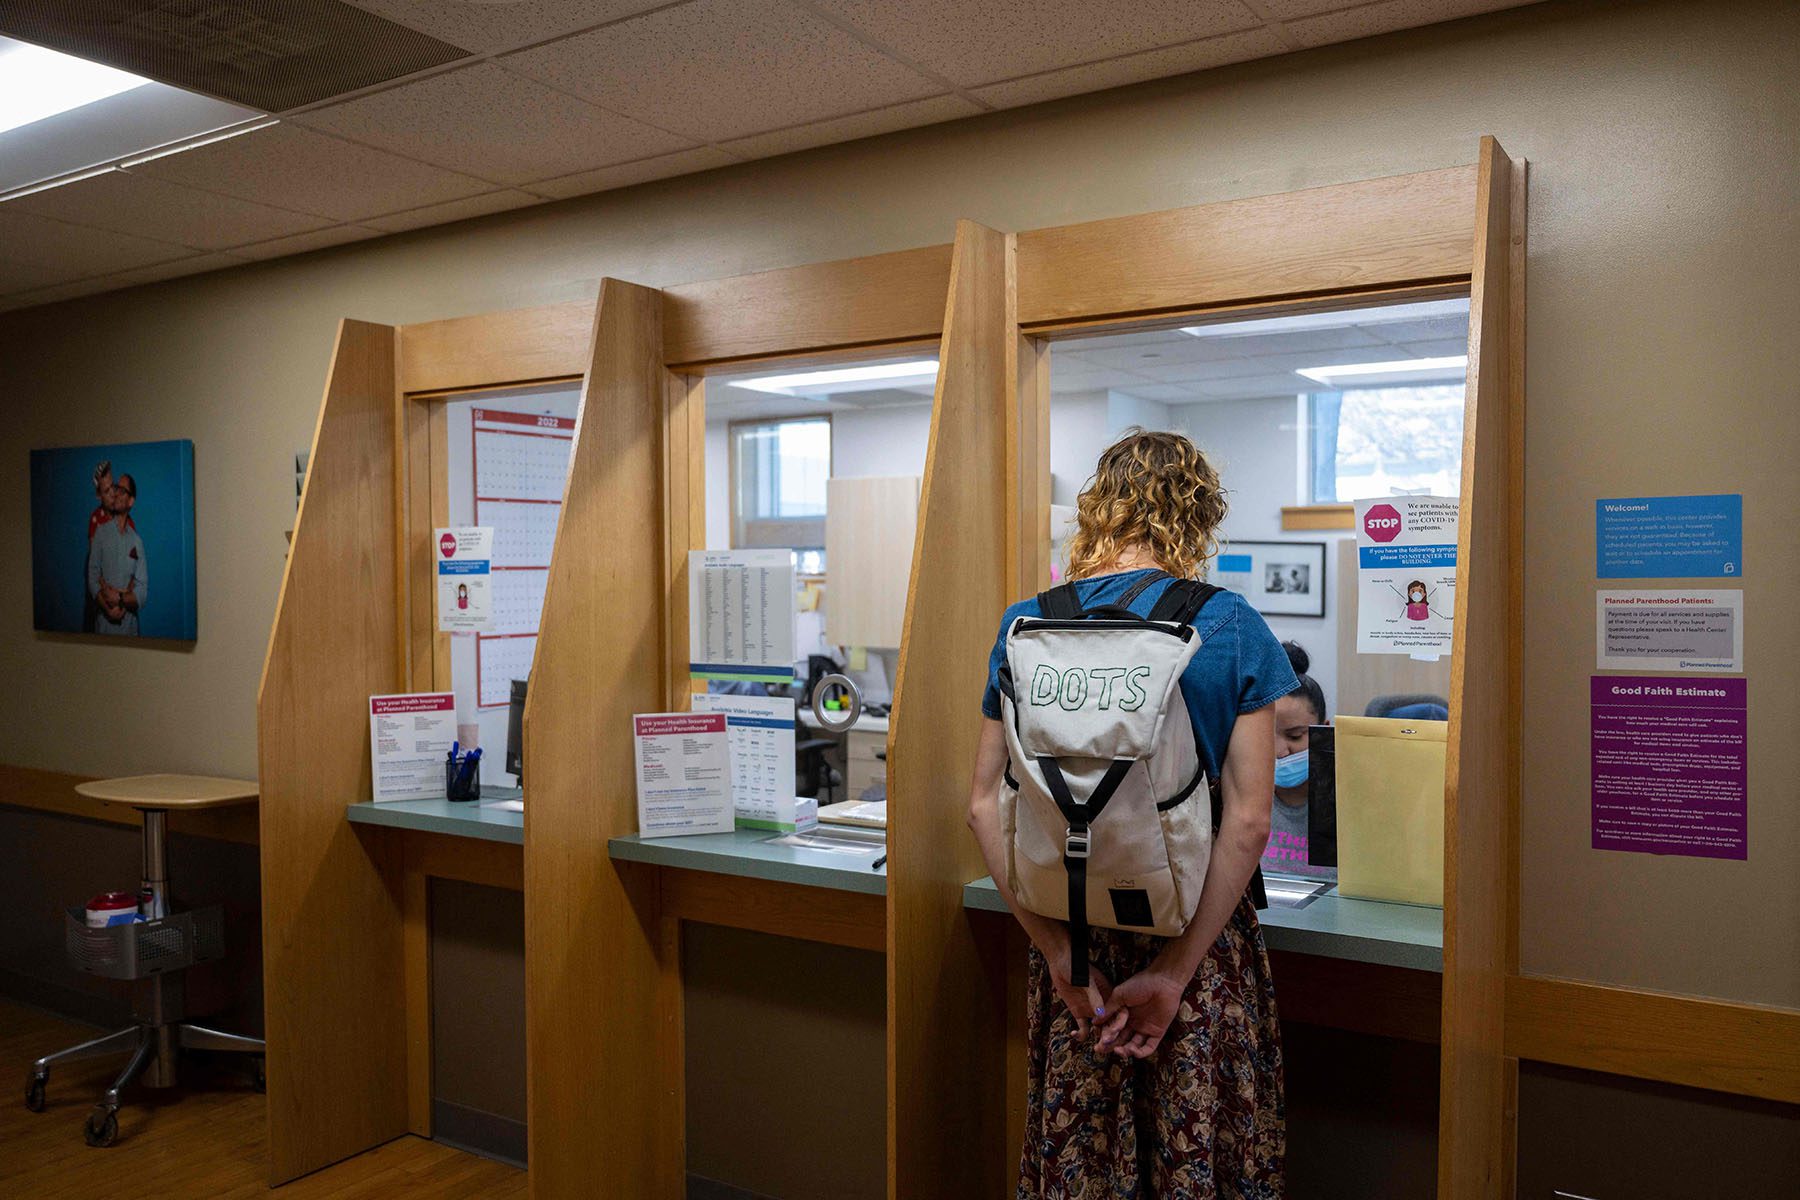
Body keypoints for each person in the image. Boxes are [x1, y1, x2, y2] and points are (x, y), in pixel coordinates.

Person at [967, 429, 1295, 1198]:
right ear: (1199, 517)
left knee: (1084, 1158)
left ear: (1097, 509)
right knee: (1199, 1156)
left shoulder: (1026, 625)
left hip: (1075, 935)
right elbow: (1248, 822)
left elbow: (983, 807)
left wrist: (1058, 955)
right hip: (1195, 940)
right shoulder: (1229, 623)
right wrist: (1174, 974)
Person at [1263, 642, 1335, 881]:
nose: (1280, 751)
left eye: (1295, 736)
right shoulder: (1239, 796)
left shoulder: (1344, 802)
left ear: (1323, 731)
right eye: (1264, 736)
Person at [87, 474, 146, 636]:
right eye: (115, 488)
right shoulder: (100, 533)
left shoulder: (137, 541)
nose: (116, 493)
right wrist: (107, 609)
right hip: (103, 630)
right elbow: (92, 577)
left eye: (122, 490)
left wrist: (119, 599)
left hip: (131, 632)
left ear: (131, 501)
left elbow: (142, 592)